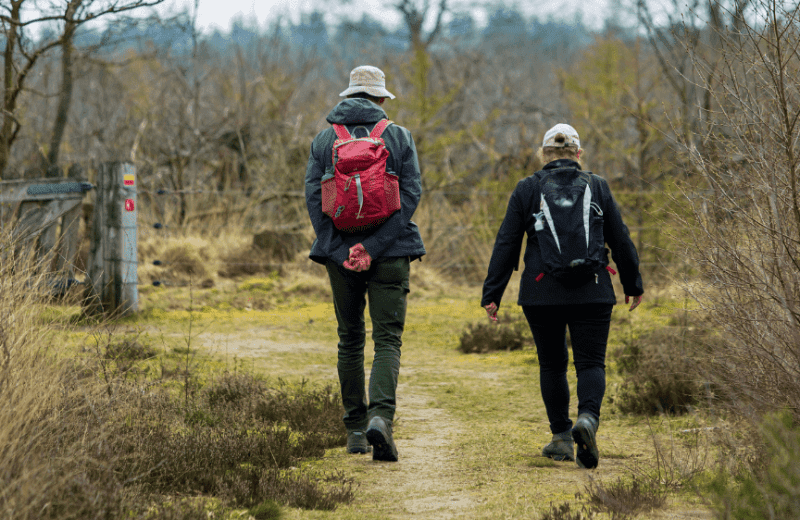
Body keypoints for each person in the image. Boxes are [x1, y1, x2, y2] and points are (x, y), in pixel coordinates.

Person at [481, 124, 644, 469]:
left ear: (544, 155)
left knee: (552, 364)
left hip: (541, 292)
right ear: (578, 155)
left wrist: (492, 293)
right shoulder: (597, 186)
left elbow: (507, 243)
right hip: (594, 289)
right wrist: (632, 283)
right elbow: (621, 238)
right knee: (591, 362)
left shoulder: (527, 188)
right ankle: (587, 419)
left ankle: (560, 437)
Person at [305, 65, 425, 462]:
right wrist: (374, 247)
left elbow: (314, 201)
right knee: (387, 339)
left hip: (339, 255)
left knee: (350, 338)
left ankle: (356, 430)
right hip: (390, 253)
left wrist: (341, 252)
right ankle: (381, 420)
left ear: (347, 97)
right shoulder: (398, 136)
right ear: (380, 98)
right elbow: (410, 196)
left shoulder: (324, 140)